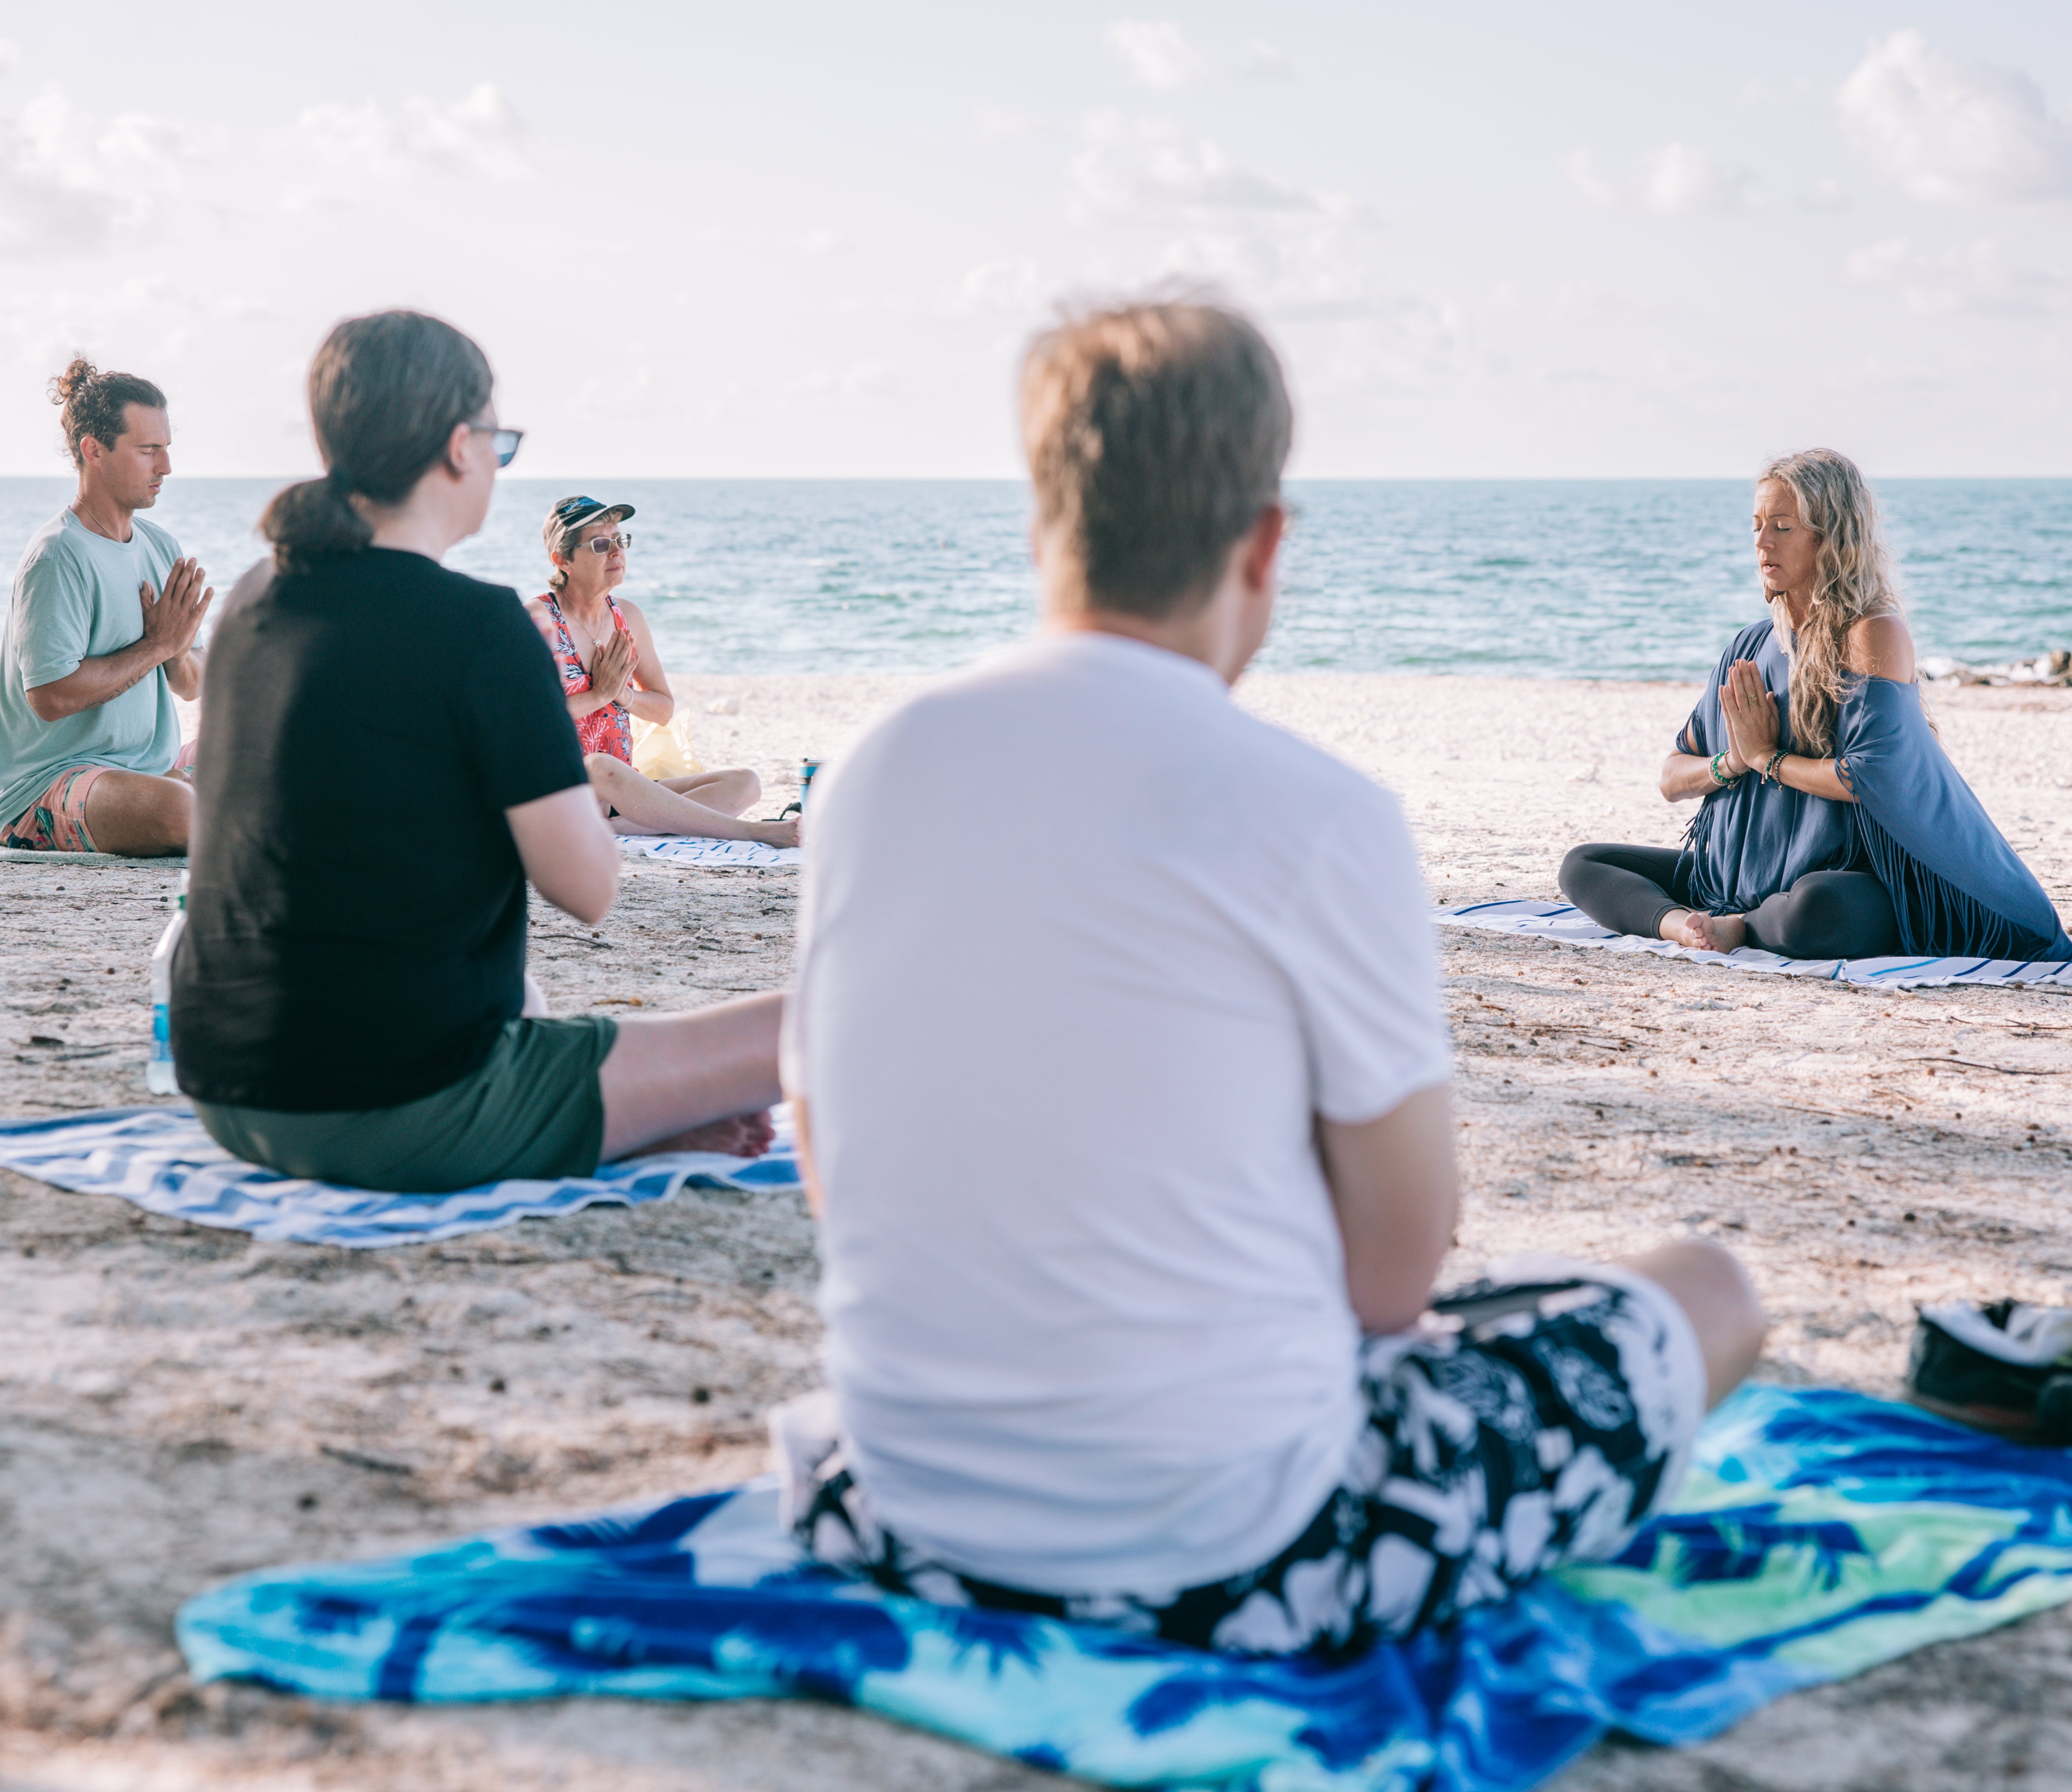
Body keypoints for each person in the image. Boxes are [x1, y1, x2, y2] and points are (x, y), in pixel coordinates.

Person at [776, 299, 1766, 1655]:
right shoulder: (1315, 814)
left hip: (900, 1512)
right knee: (1704, 1289)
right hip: (1242, 1547)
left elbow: (837, 1178)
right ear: (1263, 544)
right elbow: (1391, 1279)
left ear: (1040, 522)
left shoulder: (875, 773)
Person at [169, 311, 780, 1193]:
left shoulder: (257, 597)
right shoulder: (483, 626)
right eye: (500, 439)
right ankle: (596, 1121)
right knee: (815, 1021)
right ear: (461, 446)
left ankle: (619, 1124)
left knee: (513, 997)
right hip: (397, 1101)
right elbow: (590, 887)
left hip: (228, 1088)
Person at [1558, 449, 2072, 963]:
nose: (1762, 542)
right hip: (1733, 876)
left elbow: (1869, 778)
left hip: (1846, 877)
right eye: (1757, 525)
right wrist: (1734, 762)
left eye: (1782, 526)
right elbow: (1672, 777)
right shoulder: (1749, 646)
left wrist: (1767, 761)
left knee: (1820, 906)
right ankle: (1680, 925)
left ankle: (1740, 927)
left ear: (1831, 536)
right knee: (1584, 864)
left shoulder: (1871, 634)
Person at [0, 357, 209, 855]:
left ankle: (203, 802)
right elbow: (52, 696)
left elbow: (195, 682)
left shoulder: (160, 547)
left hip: (151, 775)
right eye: (149, 451)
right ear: (94, 450)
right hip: (50, 789)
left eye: (167, 450)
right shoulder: (59, 555)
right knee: (180, 812)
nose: (166, 467)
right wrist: (155, 648)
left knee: (294, 757)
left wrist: (174, 651)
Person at [533, 495, 797, 847]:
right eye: (600, 544)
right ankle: (753, 832)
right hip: (555, 787)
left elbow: (663, 709)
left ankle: (620, 828)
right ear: (562, 560)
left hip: (618, 790)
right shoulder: (536, 621)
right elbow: (526, 721)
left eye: (620, 540)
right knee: (598, 766)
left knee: (744, 782)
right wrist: (599, 696)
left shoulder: (628, 617)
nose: (616, 552)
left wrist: (623, 695)